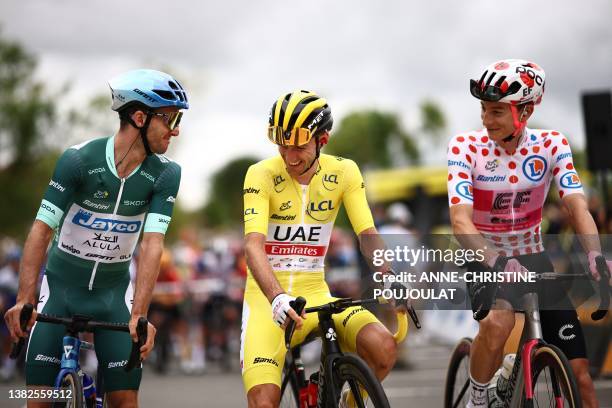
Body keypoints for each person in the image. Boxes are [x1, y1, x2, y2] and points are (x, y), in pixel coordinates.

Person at [4, 69, 188, 407]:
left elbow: (152, 243)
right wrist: (24, 297)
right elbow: (41, 229)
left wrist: (140, 315)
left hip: (113, 295)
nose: (175, 128)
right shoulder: (78, 160)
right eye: (169, 118)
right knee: (37, 400)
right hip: (59, 290)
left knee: (124, 400)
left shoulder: (165, 174)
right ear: (138, 117)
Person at [447, 59, 610, 408]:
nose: (486, 120)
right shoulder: (465, 147)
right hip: (482, 253)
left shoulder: (551, 145)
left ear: (525, 110)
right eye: (483, 110)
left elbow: (576, 207)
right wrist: (497, 259)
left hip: (533, 255)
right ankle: (478, 397)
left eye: (496, 112)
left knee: (580, 376)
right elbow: (460, 222)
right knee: (499, 321)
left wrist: (596, 254)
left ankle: (514, 369)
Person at [241, 90, 401, 407]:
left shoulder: (344, 172)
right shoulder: (260, 174)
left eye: (299, 146)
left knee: (383, 347)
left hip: (318, 295)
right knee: (262, 403)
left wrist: (389, 274)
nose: (289, 156)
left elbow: (367, 234)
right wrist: (276, 298)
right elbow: (253, 246)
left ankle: (346, 403)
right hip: (267, 303)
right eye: (282, 144)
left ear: (323, 139)